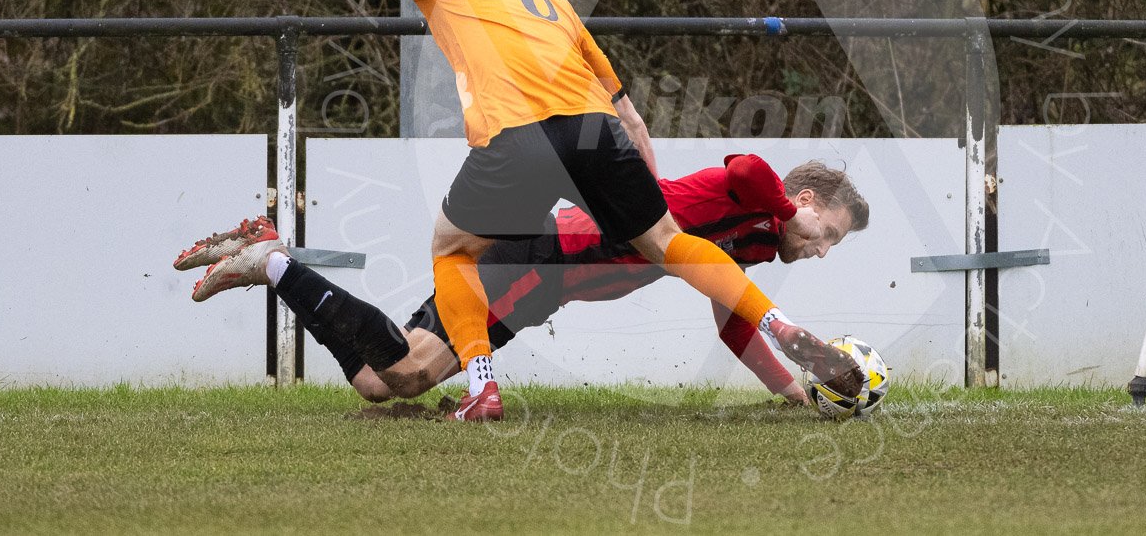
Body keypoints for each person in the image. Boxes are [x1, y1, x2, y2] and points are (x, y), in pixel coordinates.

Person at [239, 0, 860, 420]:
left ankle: (483, 387)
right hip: (597, 133)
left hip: (521, 139)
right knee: (671, 242)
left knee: (451, 250)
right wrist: (648, 199)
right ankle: (780, 323)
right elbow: (633, 119)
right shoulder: (558, 7)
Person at [182, 156, 869, 408]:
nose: (822, 250)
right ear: (803, 202)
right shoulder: (757, 200)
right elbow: (747, 166)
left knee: (376, 383)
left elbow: (730, 316)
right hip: (547, 260)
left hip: (545, 276)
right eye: (827, 234)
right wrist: (782, 210)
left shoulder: (751, 239)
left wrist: (789, 393)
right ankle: (268, 260)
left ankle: (270, 261)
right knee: (412, 374)